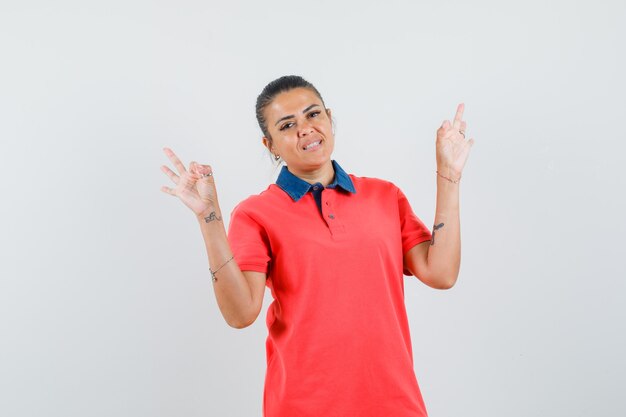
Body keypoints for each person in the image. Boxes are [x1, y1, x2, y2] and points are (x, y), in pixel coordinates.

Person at [160, 75, 474, 417]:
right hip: (302, 406)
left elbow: (441, 273)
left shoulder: (385, 197)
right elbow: (240, 314)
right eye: (287, 125)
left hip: (395, 404)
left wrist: (449, 175)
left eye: (313, 115)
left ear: (329, 118)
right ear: (270, 146)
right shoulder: (256, 214)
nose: (305, 129)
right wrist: (210, 218)